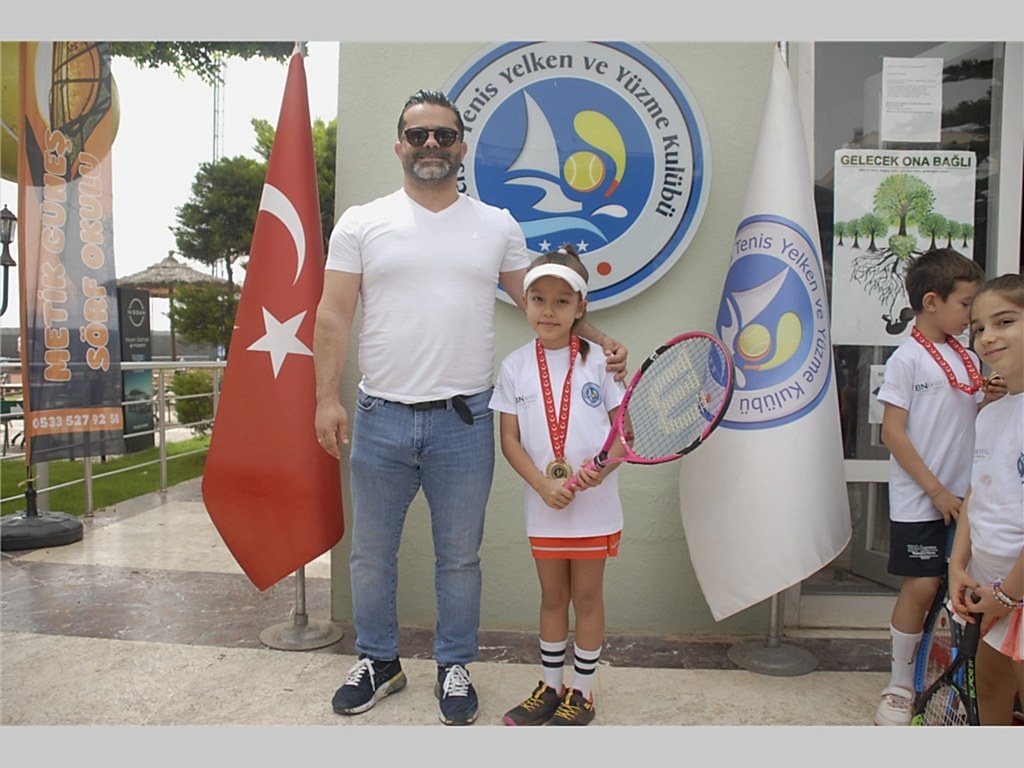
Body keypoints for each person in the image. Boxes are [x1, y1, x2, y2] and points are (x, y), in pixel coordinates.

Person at [312, 90, 627, 727]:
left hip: (464, 421)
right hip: (380, 415)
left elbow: (544, 299)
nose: (431, 145)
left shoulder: (498, 226)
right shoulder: (362, 222)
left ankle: (453, 665)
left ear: (461, 146)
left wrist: (599, 340)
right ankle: (379, 660)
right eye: (418, 135)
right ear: (399, 145)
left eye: (443, 135)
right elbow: (333, 315)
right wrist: (324, 397)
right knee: (370, 554)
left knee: (459, 558)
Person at [489, 245, 626, 726]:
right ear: (525, 303)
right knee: (551, 598)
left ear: (581, 308)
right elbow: (509, 440)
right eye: (539, 300)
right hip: (544, 506)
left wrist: (601, 469)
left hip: (593, 508)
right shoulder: (514, 366)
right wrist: (543, 487)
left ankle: (582, 693)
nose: (549, 311)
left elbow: (622, 435)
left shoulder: (601, 363)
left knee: (586, 599)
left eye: (562, 301)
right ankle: (550, 686)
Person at [872, 248, 1006, 726]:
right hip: (922, 498)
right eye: (967, 304)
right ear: (932, 301)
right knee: (924, 586)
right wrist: (936, 492)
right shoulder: (906, 359)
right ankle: (899, 686)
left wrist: (988, 399)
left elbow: (966, 422)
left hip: (966, 500)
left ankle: (963, 683)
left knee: (964, 591)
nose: (973, 315)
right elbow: (893, 434)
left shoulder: (968, 357)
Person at [948, 273, 1023, 726]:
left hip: (1011, 594)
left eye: (1005, 321)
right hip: (989, 591)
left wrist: (1009, 595)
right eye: (978, 328)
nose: (988, 337)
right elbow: (978, 493)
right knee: (991, 689)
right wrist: (959, 567)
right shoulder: (991, 415)